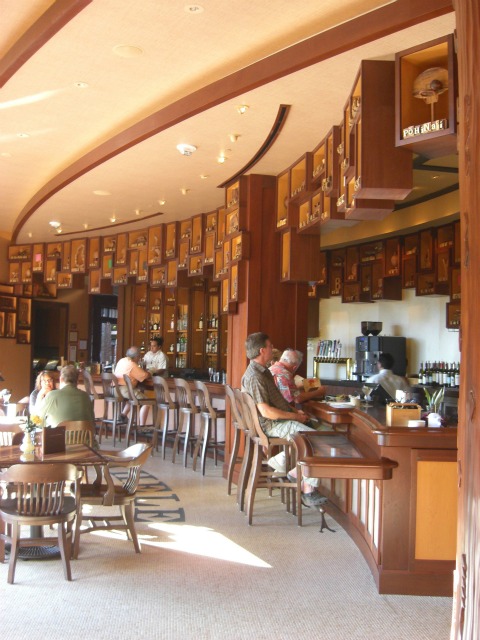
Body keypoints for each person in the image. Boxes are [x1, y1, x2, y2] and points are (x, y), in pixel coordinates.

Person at [241, 332, 326, 508]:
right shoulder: (255, 376)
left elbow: (280, 402)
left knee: (314, 434)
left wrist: (296, 414)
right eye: (271, 346)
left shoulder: (263, 372)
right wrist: (296, 416)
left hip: (275, 422)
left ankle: (291, 470)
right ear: (262, 350)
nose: (273, 349)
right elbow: (267, 412)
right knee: (316, 439)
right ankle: (308, 487)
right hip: (271, 425)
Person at [114, 346, 151, 426]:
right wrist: (150, 372)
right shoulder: (132, 364)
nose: (139, 358)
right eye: (139, 356)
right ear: (136, 356)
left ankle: (123, 415)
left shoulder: (121, 361)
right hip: (125, 390)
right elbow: (144, 376)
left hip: (116, 390)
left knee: (132, 398)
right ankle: (142, 426)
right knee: (147, 401)